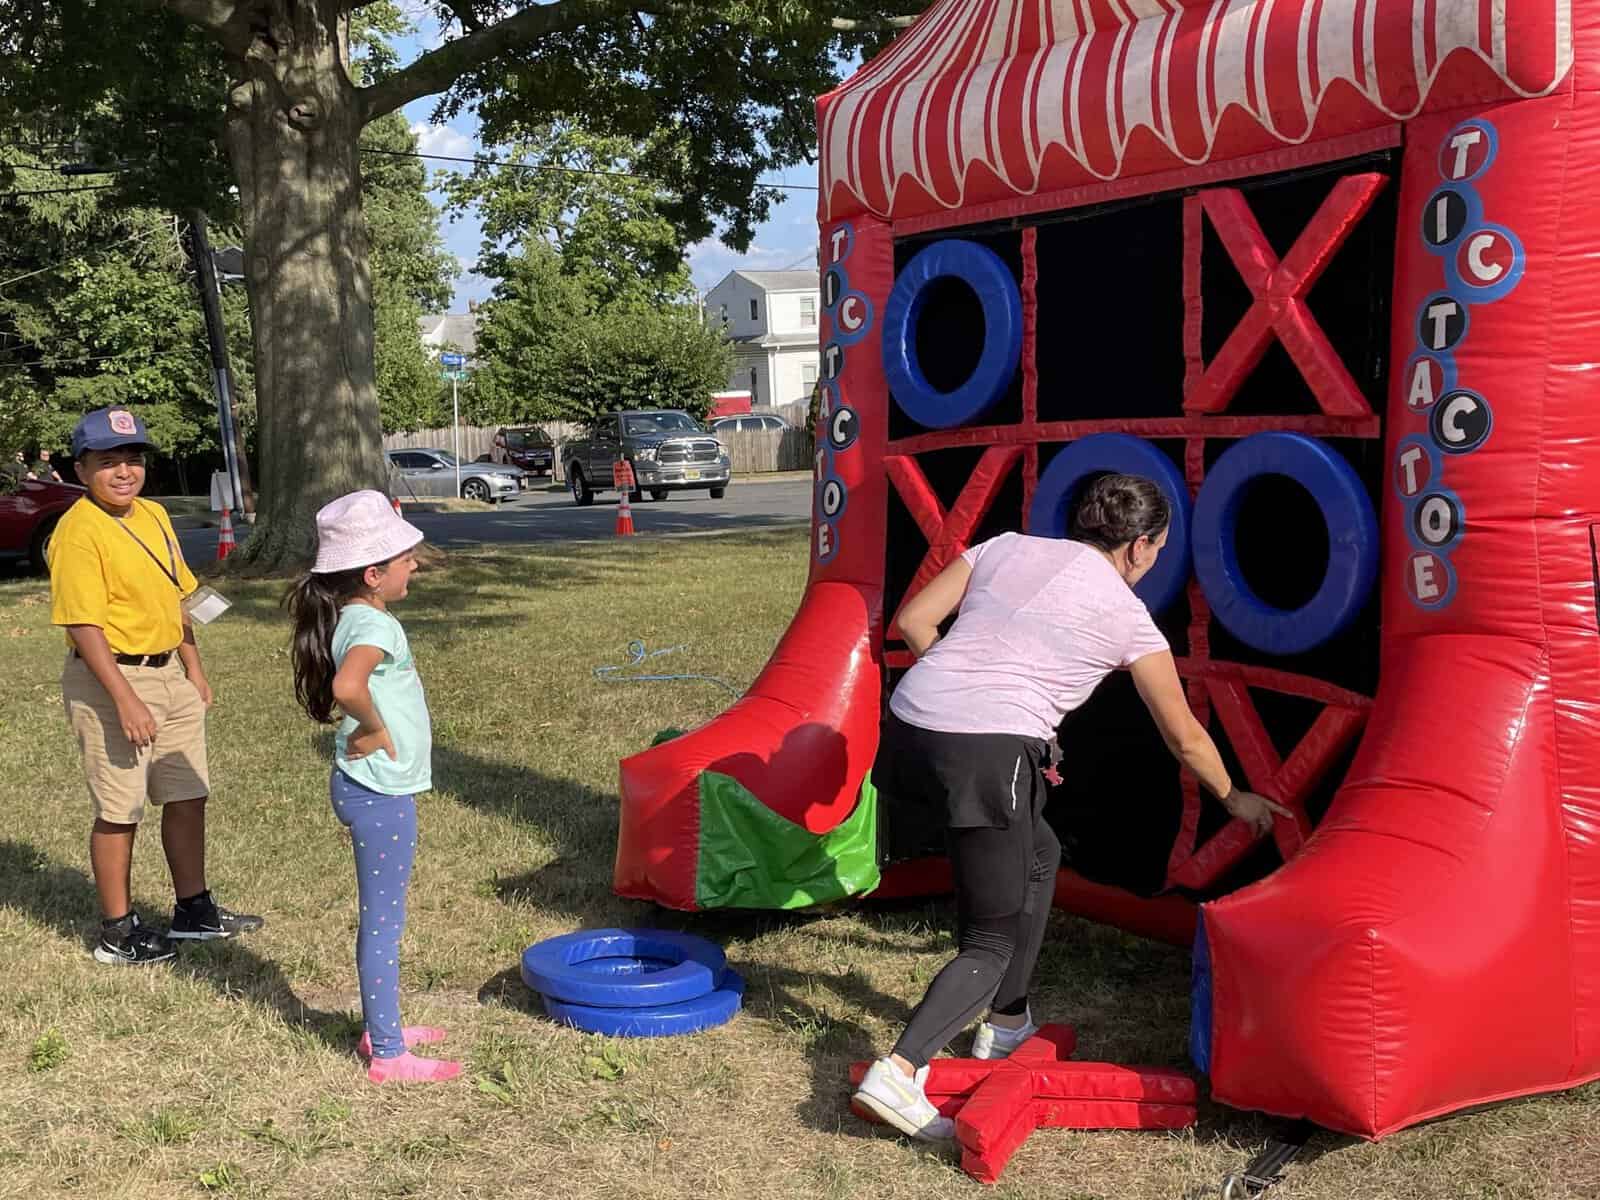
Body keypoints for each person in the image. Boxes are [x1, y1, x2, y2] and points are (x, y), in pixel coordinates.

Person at [851, 474, 1286, 1141]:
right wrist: (1235, 797)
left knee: (1042, 850)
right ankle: (901, 1072)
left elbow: (914, 622)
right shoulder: (1127, 615)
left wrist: (961, 693)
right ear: (1141, 546)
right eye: (1159, 550)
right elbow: (1182, 736)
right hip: (985, 754)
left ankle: (1006, 1022)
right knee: (989, 940)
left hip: (907, 730)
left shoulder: (1003, 546)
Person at [49, 406, 263, 966]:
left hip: (168, 672)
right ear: (81, 469)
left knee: (187, 794)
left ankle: (193, 909)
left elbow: (181, 595)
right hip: (113, 678)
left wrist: (194, 668)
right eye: (108, 461)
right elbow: (82, 623)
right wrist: (124, 699)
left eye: (133, 459)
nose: (124, 471)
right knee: (120, 808)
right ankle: (117, 931)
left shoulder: (152, 516)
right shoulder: (77, 531)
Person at [285, 490, 461, 1085]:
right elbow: (348, 686)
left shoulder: (359, 615)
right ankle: (386, 1052)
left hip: (374, 789)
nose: (413, 564)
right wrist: (375, 726)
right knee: (384, 922)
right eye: (403, 557)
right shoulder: (369, 623)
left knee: (385, 917)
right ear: (372, 573)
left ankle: (383, 1024)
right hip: (377, 793)